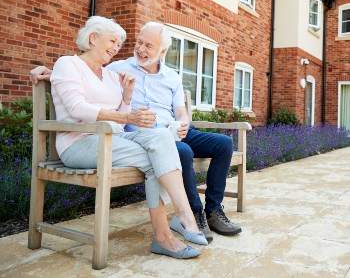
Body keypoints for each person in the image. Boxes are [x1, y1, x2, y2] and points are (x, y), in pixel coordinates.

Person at [30, 21, 242, 243]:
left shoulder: (171, 76)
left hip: (171, 130)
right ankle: (193, 214)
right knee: (181, 151)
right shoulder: (117, 67)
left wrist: (183, 123)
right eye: (139, 42)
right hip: (141, 135)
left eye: (148, 46)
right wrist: (52, 72)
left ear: (162, 51)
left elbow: (180, 111)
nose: (140, 49)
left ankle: (213, 211)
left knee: (224, 144)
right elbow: (85, 73)